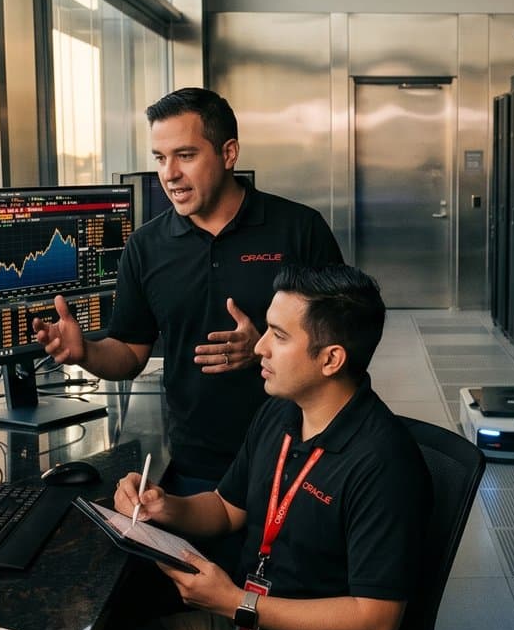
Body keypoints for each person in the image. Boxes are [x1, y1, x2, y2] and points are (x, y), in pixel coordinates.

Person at [99, 264, 432, 630]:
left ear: (331, 359)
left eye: (278, 335)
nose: (258, 348)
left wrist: (238, 602)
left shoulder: (383, 462)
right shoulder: (280, 413)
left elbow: (375, 625)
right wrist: (165, 507)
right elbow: (225, 508)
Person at [35, 87, 343, 495]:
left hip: (298, 457)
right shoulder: (145, 247)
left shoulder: (300, 230)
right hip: (198, 464)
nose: (169, 174)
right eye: (161, 159)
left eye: (185, 155)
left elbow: (344, 348)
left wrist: (265, 349)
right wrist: (85, 353)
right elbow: (129, 354)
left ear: (229, 153)